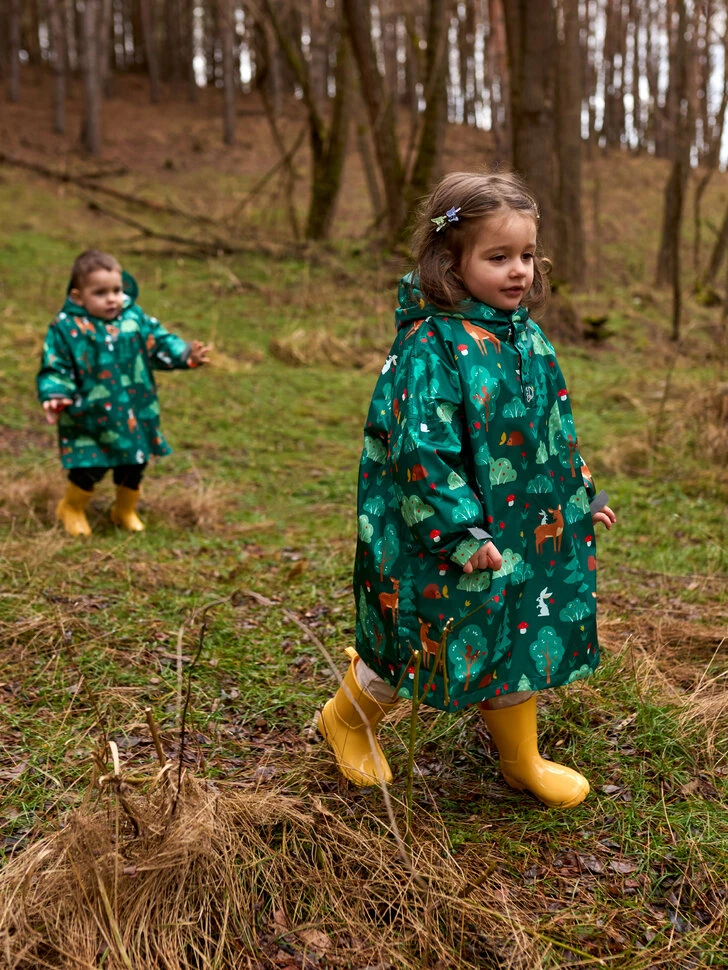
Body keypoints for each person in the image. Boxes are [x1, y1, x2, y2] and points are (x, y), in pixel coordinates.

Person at [318, 171, 616, 809]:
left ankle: (520, 758)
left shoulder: (524, 334)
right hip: (438, 530)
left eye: (527, 256)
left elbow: (550, 428)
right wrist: (459, 531)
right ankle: (347, 720)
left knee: (519, 629)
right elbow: (420, 450)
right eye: (498, 257)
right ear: (450, 263)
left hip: (521, 521)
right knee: (418, 635)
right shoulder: (431, 343)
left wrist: (579, 495)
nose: (519, 272)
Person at [37, 249, 210, 536]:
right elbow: (56, 365)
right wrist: (55, 393)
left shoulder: (134, 319)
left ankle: (124, 509)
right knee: (90, 464)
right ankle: (72, 507)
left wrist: (185, 354)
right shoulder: (67, 328)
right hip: (89, 414)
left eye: (117, 290)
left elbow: (160, 342)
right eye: (100, 293)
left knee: (135, 462)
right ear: (78, 297)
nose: (112, 299)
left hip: (134, 409)